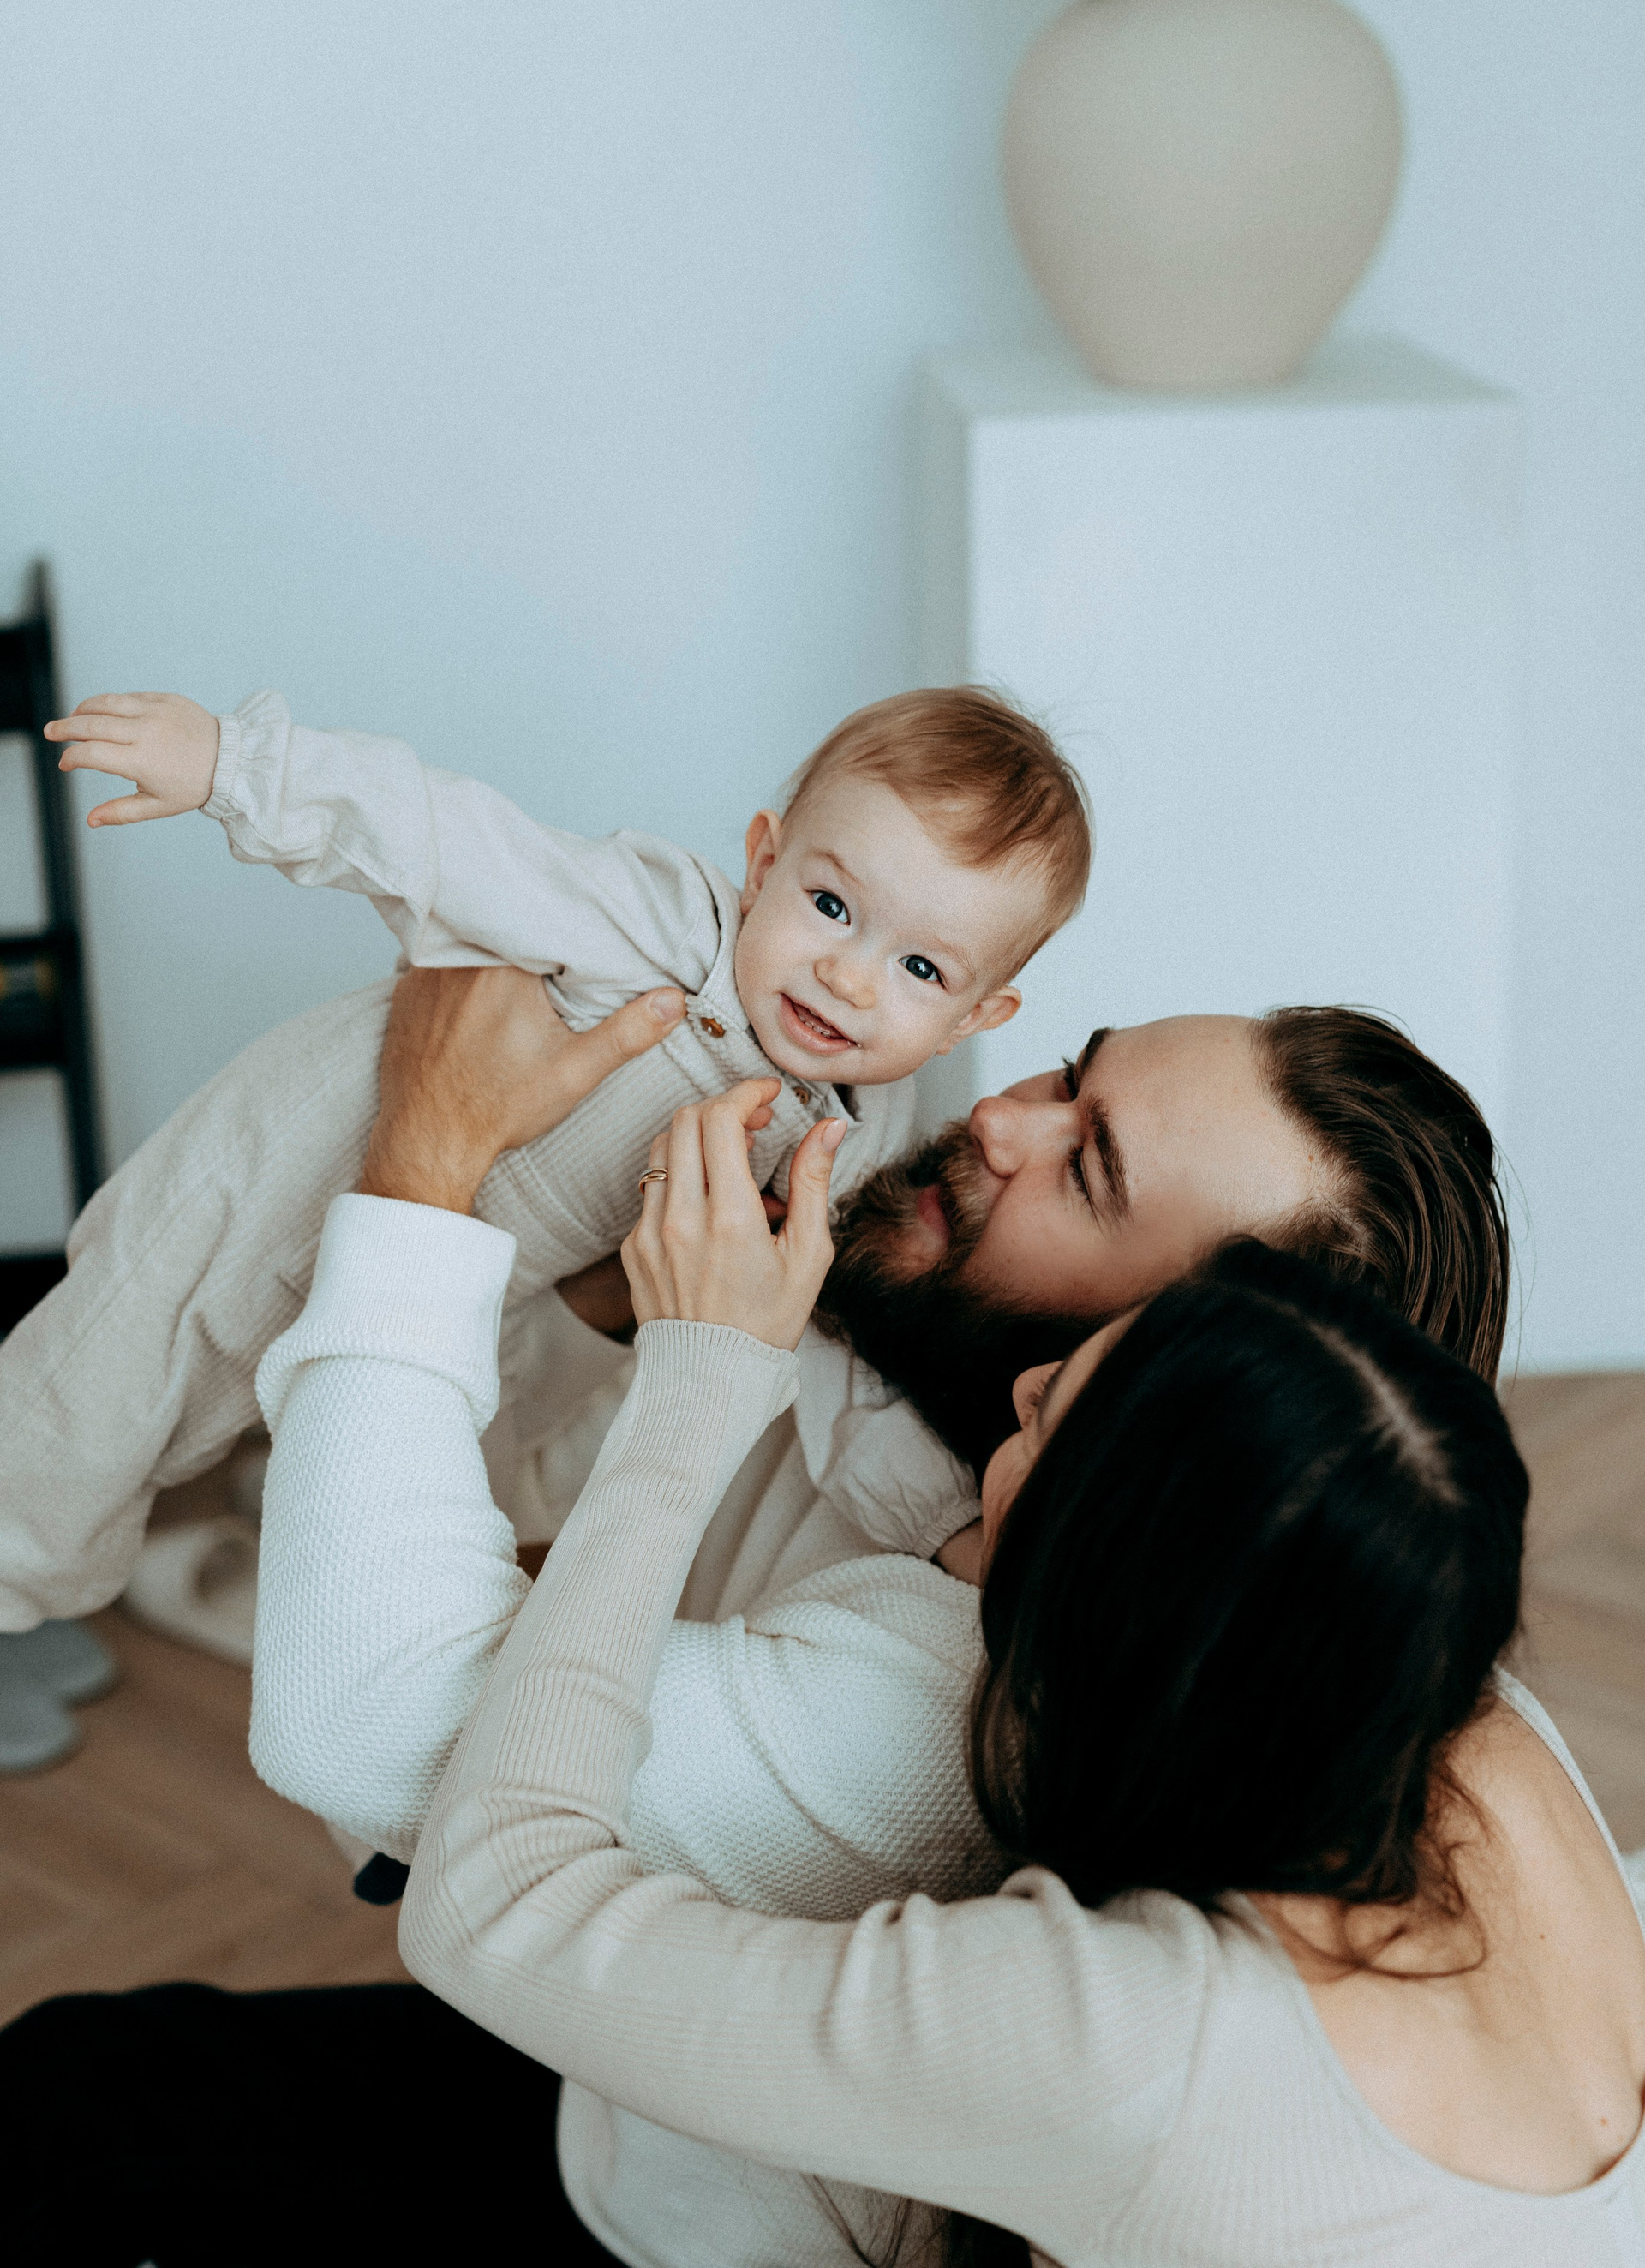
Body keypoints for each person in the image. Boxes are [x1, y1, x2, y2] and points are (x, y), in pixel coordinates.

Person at [0, 971, 1550, 2268]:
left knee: (73, 2126)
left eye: (1088, 1171)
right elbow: (534, 1517)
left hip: (669, 2225)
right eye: (1071, 1078)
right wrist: (599, 1308)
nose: (998, 1117)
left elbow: (372, 1727)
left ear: (1204, 1389)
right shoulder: (909, 1345)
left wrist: (427, 1164)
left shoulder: (934, 1699)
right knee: (86, 2075)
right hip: (600, 2091)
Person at [0, 682, 1092, 1632]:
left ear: (972, 1018)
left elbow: (839, 1357)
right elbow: (457, 844)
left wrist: (944, 1524)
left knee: (202, 1436)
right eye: (830, 905)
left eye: (918, 968)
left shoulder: (858, 1142)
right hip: (286, 1171)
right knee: (90, 1400)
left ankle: (54, 1583)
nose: (847, 977)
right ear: (762, 865)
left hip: (438, 1275)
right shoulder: (665, 925)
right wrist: (238, 767)